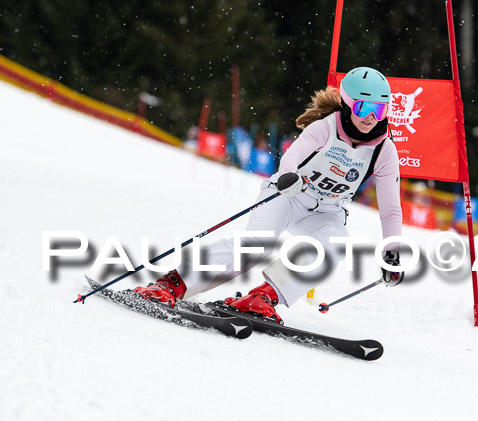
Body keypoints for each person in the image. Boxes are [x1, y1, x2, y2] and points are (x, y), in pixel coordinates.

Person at [134, 67, 404, 323]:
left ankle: (263, 297)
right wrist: (289, 175)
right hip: (288, 194)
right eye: (363, 107)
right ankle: (173, 283)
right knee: (255, 246)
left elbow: (390, 208)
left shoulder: (384, 150)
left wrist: (391, 252)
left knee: (335, 244)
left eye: (380, 109)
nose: (371, 116)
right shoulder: (326, 127)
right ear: (346, 104)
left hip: (327, 211)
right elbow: (293, 156)